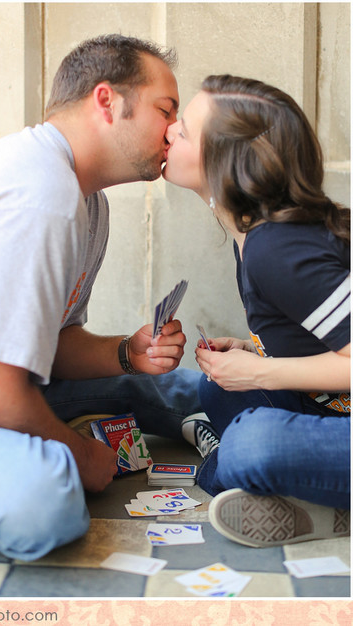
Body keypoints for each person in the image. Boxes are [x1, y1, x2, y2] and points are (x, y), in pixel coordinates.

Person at [0, 34, 203, 561]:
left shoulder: (88, 203)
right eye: (166, 110)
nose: (175, 130)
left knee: (150, 385)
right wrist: (81, 456)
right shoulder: (40, 195)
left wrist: (126, 354)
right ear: (107, 101)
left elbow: (54, 341)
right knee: (43, 504)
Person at [163, 74, 350, 547]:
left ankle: (251, 475)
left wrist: (261, 374)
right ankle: (316, 501)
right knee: (217, 388)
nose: (168, 131)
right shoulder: (252, 235)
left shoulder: (277, 249)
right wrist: (253, 353)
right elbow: (320, 338)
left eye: (183, 130)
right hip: (334, 411)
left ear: (225, 163)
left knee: (252, 445)